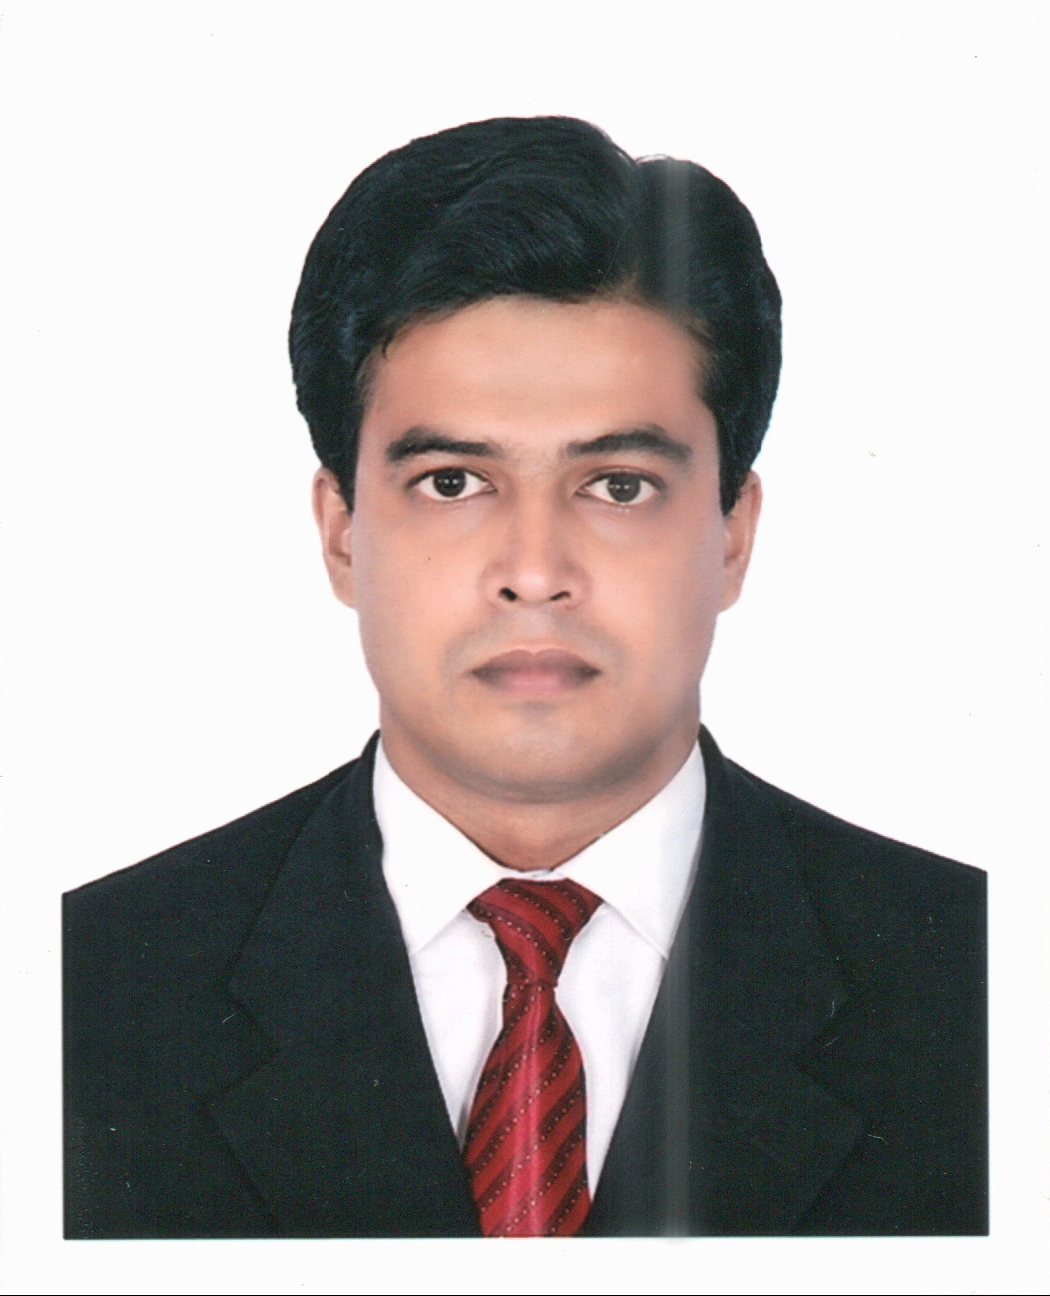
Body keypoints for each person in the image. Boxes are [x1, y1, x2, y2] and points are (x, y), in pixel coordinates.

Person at [63, 116, 987, 1239]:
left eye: (619, 485)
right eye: (453, 482)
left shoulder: (985, 986)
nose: (536, 572)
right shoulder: (81, 993)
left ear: (733, 535)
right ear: (343, 532)